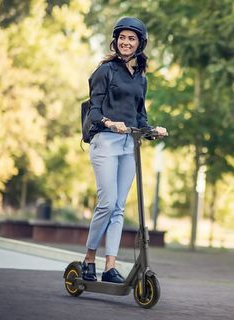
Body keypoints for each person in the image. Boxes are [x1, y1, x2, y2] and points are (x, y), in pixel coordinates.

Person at [82, 17, 168, 283]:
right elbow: (94, 110)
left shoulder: (140, 78)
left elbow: (139, 115)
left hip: (129, 144)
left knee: (119, 207)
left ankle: (109, 267)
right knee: (106, 204)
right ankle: (88, 260)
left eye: (131, 38)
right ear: (115, 40)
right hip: (105, 141)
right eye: (122, 38)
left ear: (139, 43)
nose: (126, 42)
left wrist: (153, 129)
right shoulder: (105, 71)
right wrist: (110, 122)